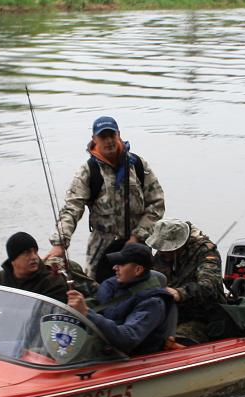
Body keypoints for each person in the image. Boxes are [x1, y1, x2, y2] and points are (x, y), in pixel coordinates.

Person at [47, 114, 166, 283]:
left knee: (143, 289)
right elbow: (72, 208)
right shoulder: (88, 171)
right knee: (95, 289)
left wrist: (137, 236)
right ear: (94, 139)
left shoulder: (138, 165)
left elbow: (157, 204)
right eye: (103, 136)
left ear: (119, 135)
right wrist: (59, 244)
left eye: (111, 135)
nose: (108, 141)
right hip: (102, 246)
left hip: (137, 245)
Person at [66, 242, 172, 356]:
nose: (114, 267)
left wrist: (87, 312)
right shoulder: (114, 285)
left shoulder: (152, 303)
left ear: (138, 270)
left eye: (121, 264)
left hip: (130, 357)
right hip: (105, 347)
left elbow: (128, 338)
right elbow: (99, 305)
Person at [145, 218, 234, 343]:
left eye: (167, 249)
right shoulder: (162, 255)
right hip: (170, 312)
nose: (162, 252)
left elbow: (209, 286)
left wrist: (180, 293)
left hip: (202, 316)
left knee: (176, 341)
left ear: (180, 245)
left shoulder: (206, 253)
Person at [0, 231, 69, 301]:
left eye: (35, 252)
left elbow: (47, 312)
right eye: (27, 253)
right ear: (13, 259)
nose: (34, 257)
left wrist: (0, 311)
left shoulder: (52, 281)